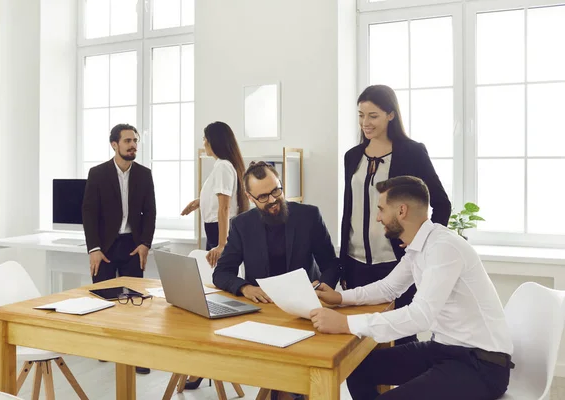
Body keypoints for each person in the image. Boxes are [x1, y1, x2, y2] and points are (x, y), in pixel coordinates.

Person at [311, 176, 513, 400]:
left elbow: (420, 316)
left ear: (402, 211)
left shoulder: (443, 247)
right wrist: (340, 297)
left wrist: (345, 323)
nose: (378, 218)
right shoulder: (419, 246)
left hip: (481, 365)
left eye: (381, 209)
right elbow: (389, 288)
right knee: (358, 369)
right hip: (444, 349)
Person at [340, 84, 451, 344]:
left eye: (373, 116)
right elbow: (349, 209)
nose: (365, 123)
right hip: (355, 263)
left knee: (401, 344)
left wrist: (423, 245)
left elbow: (442, 204)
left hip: (397, 263)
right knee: (357, 344)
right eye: (360, 115)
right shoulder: (352, 156)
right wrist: (342, 263)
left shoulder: (412, 152)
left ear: (391, 114)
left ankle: (403, 387)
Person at [82, 123, 156, 375]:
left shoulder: (144, 174)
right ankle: (106, 348)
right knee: (103, 298)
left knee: (135, 301)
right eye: (127, 141)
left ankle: (136, 355)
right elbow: (89, 213)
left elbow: (150, 213)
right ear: (114, 145)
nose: (133, 144)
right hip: (104, 246)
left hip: (133, 246)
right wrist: (93, 248)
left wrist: (145, 243)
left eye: (135, 140)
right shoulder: (98, 173)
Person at [213, 161, 341, 303]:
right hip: (263, 306)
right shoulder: (241, 225)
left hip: (305, 300)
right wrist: (245, 288)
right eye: (263, 197)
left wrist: (320, 290)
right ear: (250, 197)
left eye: (276, 190)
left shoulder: (309, 216)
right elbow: (221, 273)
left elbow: (331, 265)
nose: (273, 199)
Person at [181, 121, 249, 267]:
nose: (204, 143)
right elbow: (223, 198)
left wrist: (222, 244)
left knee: (217, 275)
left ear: (214, 141)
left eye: (205, 138)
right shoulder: (223, 165)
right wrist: (200, 201)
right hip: (216, 228)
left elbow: (224, 207)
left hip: (219, 230)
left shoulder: (223, 166)